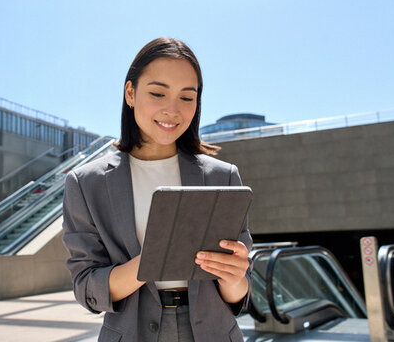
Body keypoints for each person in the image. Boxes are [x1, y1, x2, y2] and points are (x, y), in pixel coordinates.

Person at [62, 37, 252, 342]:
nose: (172, 110)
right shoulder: (87, 183)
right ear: (131, 93)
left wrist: (235, 276)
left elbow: (238, 294)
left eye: (187, 98)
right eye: (158, 93)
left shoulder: (223, 176)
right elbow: (86, 286)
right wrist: (154, 258)